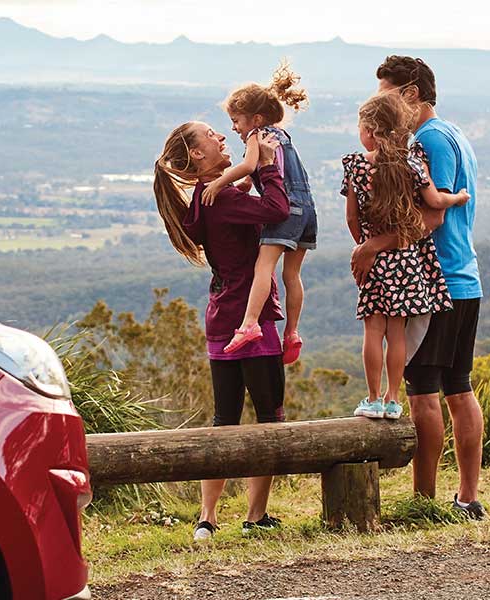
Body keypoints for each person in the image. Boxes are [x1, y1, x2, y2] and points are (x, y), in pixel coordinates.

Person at [357, 55, 488, 519]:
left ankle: (424, 501)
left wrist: (374, 246)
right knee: (458, 386)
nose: (380, 106)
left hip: (436, 281)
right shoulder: (454, 134)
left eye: (386, 95)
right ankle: (467, 497)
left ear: (411, 93)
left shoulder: (428, 140)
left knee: (424, 391)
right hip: (464, 278)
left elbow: (432, 215)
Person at [153, 121, 290, 540]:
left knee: (224, 417)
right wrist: (267, 167)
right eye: (213, 135)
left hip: (219, 317)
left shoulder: (202, 199)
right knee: (269, 416)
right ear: (197, 155)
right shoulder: (222, 198)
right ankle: (254, 517)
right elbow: (277, 211)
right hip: (252, 319)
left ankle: (207, 518)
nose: (222, 138)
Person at [342, 92, 468, 420]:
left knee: (373, 330)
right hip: (406, 258)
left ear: (370, 129)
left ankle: (371, 398)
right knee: (397, 332)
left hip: (375, 261)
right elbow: (436, 201)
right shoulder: (413, 163)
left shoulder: (355, 165)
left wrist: (364, 243)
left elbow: (352, 217)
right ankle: (393, 398)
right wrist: (458, 198)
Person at [199, 61, 315, 364]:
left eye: (236, 121)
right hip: (307, 211)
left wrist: (220, 183)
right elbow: (257, 177)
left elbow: (250, 166)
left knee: (262, 268)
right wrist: (243, 188)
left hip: (286, 211)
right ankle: (292, 332)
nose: (234, 128)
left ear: (256, 118)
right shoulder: (280, 136)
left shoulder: (257, 136)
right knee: (292, 273)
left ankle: (249, 323)